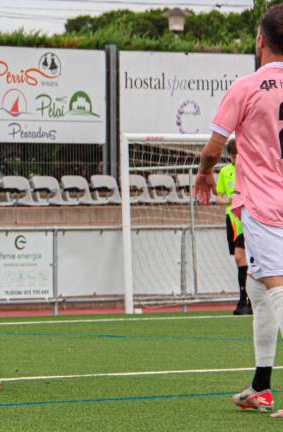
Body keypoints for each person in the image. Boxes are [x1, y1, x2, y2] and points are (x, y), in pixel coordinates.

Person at [194, 4, 283, 418]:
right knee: (259, 291)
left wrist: (205, 173)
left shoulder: (247, 86)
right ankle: (261, 386)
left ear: (261, 40)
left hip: (267, 206)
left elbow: (214, 147)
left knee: (275, 289)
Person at [215, 139, 251, 315]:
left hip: (248, 218)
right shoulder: (225, 172)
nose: (237, 157)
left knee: (243, 257)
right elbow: (219, 197)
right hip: (232, 219)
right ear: (230, 155)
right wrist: (228, 200)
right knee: (240, 259)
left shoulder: (250, 170)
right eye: (234, 154)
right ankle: (245, 299)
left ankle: (246, 299)